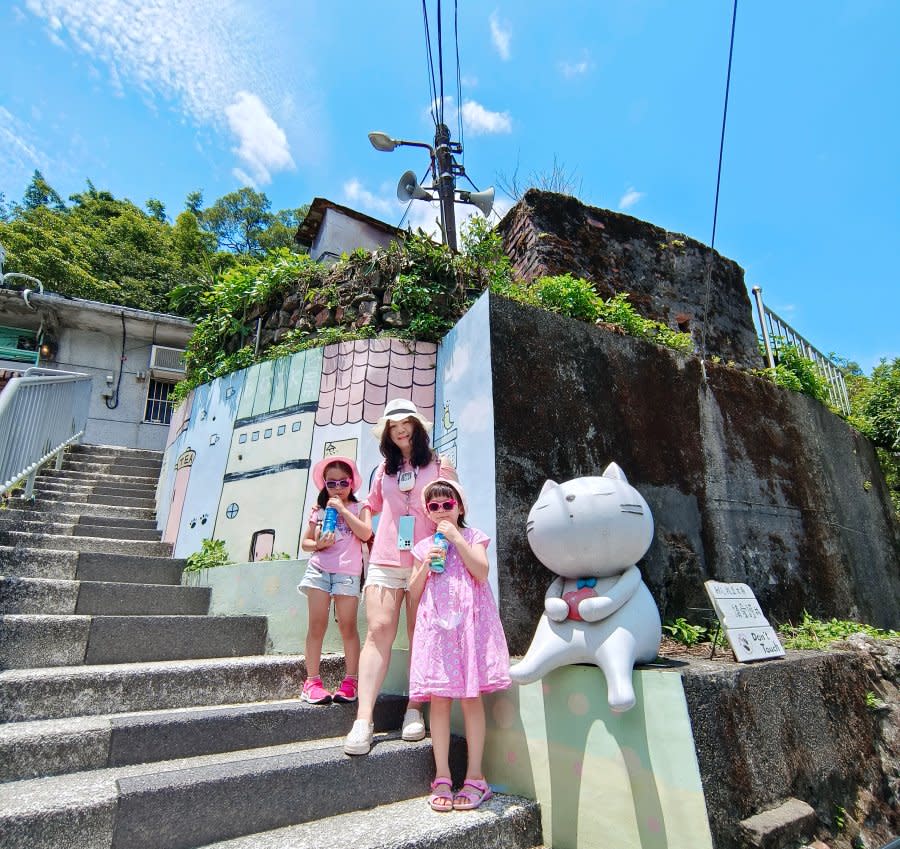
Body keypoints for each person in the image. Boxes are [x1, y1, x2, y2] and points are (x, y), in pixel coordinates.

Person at [343, 398, 457, 755]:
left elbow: (453, 507)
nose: (400, 428)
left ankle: (414, 709)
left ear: (417, 426)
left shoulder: (439, 464)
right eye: (393, 425)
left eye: (406, 421)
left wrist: (443, 543)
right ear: (388, 433)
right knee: (378, 632)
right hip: (386, 559)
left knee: (421, 633)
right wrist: (366, 529)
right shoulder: (383, 470)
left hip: (426, 559)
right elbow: (371, 505)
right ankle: (363, 719)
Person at [408, 478, 510, 811]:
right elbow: (413, 590)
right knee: (438, 700)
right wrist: (427, 562)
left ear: (459, 507)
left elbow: (481, 572)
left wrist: (456, 539)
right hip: (438, 632)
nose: (440, 511)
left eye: (446, 505)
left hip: (468, 630)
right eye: (433, 507)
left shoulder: (472, 536)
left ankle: (476, 777)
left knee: (470, 698)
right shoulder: (424, 546)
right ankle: (441, 776)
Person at [298, 456, 372, 704]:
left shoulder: (361, 506)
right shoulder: (318, 510)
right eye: (332, 483)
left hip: (347, 573)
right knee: (316, 625)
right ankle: (312, 682)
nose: (338, 488)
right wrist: (318, 543)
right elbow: (306, 544)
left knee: (347, 626)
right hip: (319, 570)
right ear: (324, 485)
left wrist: (342, 510)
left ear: (352, 482)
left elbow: (365, 533)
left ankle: (351, 681)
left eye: (344, 482)